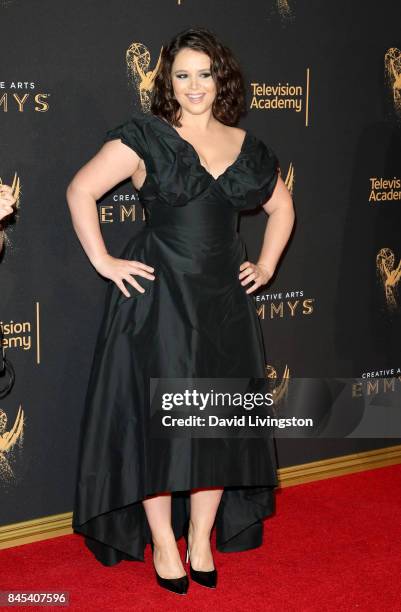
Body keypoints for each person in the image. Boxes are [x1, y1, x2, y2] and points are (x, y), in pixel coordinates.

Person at [67, 26, 294, 595]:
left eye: (205, 73)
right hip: (159, 303)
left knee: (213, 426)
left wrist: (265, 266)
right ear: (168, 81)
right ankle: (164, 543)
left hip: (222, 304)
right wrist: (104, 261)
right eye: (183, 74)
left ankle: (199, 538)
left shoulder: (246, 144)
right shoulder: (145, 136)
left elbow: (282, 207)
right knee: (159, 431)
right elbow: (80, 190)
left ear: (222, 78)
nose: (195, 85)